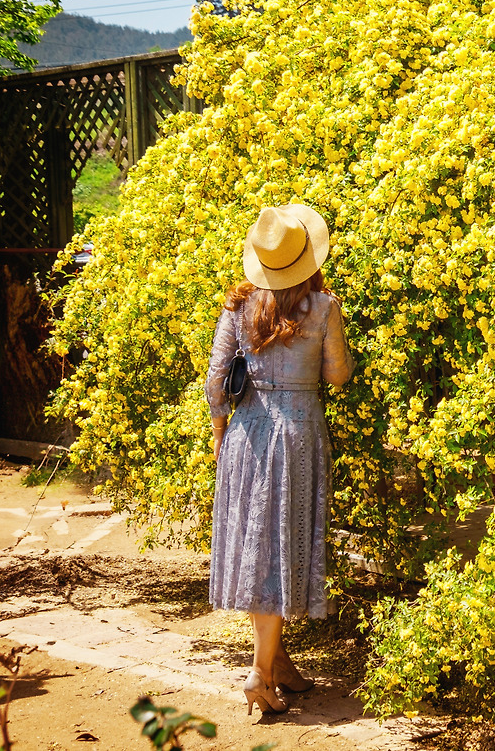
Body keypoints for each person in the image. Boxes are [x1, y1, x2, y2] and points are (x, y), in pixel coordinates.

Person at [204, 203, 354, 715]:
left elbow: (215, 381)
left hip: (246, 434)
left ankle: (278, 662)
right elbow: (337, 376)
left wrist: (219, 434)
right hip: (297, 435)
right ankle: (260, 675)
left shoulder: (237, 308)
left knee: (261, 543)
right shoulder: (324, 308)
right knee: (281, 544)